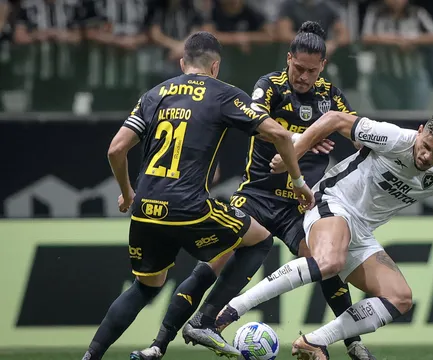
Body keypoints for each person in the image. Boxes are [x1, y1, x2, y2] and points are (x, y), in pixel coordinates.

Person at [131, 21, 376, 360]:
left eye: (310, 70)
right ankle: (160, 343)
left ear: (322, 67)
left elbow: (360, 136)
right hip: (258, 196)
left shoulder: (330, 97)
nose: (302, 76)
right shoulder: (270, 86)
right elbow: (257, 124)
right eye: (297, 67)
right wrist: (302, 140)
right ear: (288, 58)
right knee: (216, 261)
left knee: (325, 264)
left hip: (300, 206)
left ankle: (352, 342)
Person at [201, 111, 433, 360]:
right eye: (426, 146)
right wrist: (296, 153)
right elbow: (332, 118)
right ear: (420, 132)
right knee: (330, 261)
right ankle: (229, 312)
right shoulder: (392, 137)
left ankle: (314, 341)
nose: (426, 157)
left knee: (401, 298)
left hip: (362, 232)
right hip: (331, 203)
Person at [80, 31, 314, 360]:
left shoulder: (155, 93)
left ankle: (92, 355)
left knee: (145, 287)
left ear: (181, 63)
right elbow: (280, 136)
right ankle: (206, 320)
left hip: (146, 208)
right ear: (215, 66)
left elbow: (116, 149)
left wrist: (126, 191)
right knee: (260, 240)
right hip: (190, 206)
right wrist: (298, 181)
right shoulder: (222, 93)